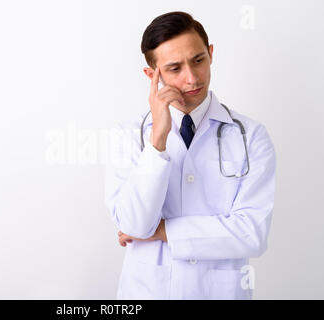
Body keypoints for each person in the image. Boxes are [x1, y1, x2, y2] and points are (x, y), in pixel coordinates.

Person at [104, 11, 276, 300]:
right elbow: (133, 225)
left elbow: (252, 234)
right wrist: (157, 140)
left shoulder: (251, 136)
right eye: (174, 68)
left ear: (210, 54)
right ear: (152, 75)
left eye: (198, 60)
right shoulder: (129, 135)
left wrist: (161, 231)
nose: (192, 78)